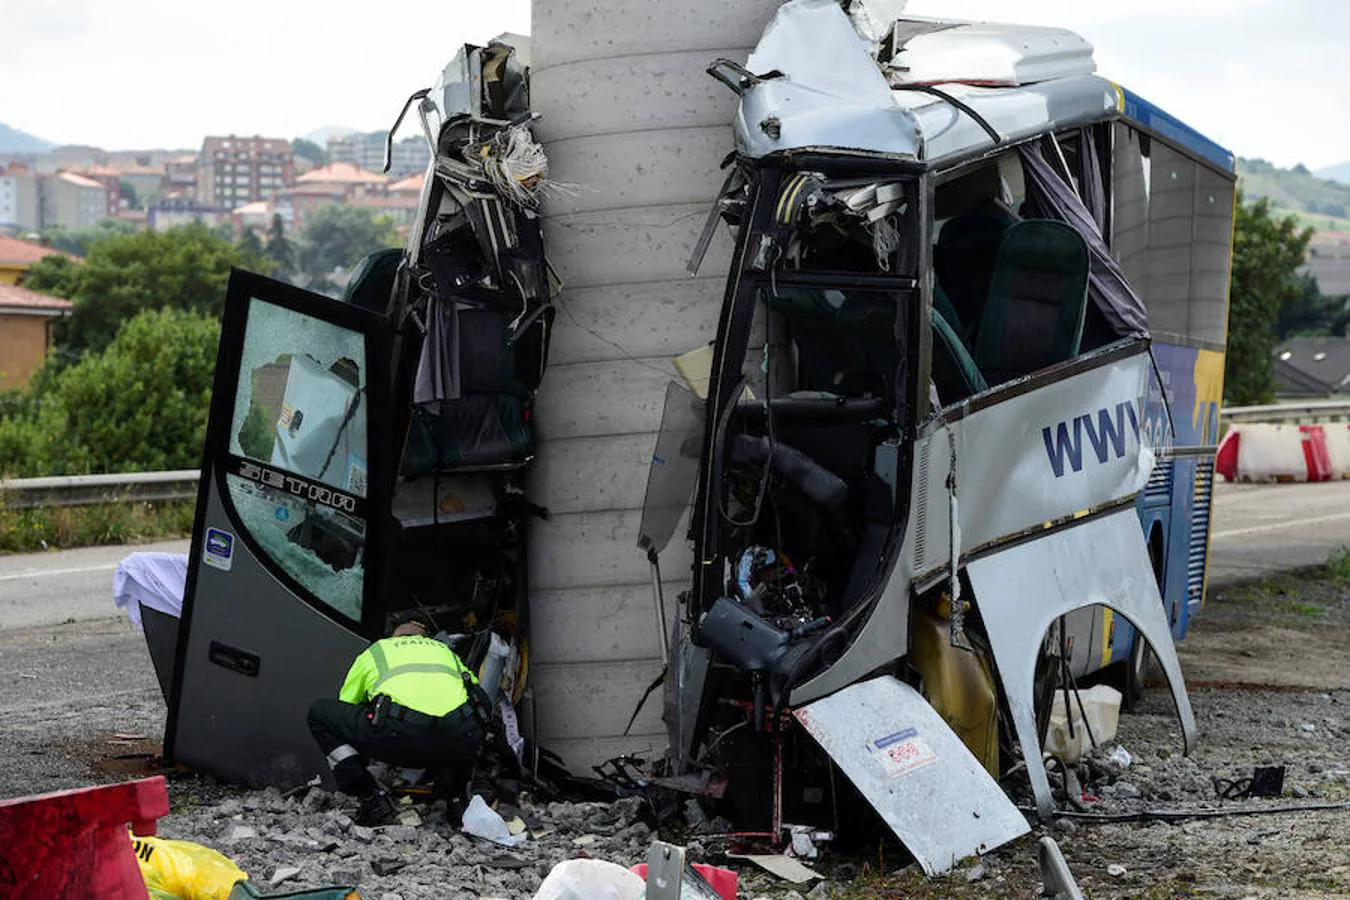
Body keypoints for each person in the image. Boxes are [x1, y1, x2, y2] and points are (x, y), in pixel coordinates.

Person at [308, 617, 486, 825]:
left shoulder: (378, 651)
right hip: (456, 740)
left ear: (393, 636)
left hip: (398, 738)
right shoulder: (444, 651)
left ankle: (371, 798)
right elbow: (479, 698)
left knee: (320, 714)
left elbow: (348, 704)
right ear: (425, 638)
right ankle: (457, 800)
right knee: (468, 720)